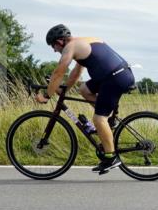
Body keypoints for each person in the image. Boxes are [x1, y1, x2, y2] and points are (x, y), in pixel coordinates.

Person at [37, 24, 135, 174]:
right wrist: (64, 89)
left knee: (98, 119)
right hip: (116, 74)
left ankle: (111, 158)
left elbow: (58, 72)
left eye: (53, 45)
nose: (53, 49)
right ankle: (106, 122)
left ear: (60, 41)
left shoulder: (70, 48)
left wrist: (46, 96)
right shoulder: (83, 42)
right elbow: (75, 74)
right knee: (84, 90)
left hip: (114, 78)